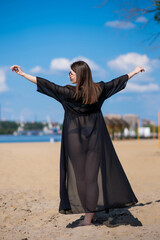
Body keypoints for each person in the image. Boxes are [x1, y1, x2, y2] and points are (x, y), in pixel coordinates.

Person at [10, 61, 145, 227]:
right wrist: (134, 71)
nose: (69, 75)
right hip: (95, 139)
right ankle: (89, 216)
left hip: (74, 140)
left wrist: (23, 74)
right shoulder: (99, 90)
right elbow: (117, 81)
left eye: (71, 73)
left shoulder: (67, 92)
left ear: (80, 75)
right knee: (91, 179)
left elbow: (46, 84)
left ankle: (87, 217)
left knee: (81, 178)